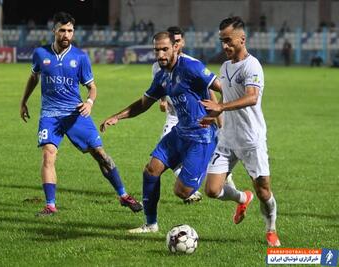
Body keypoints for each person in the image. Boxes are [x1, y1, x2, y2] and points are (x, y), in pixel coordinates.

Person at [20, 12, 142, 216]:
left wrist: (90, 102)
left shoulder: (80, 57)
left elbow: (92, 87)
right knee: (48, 155)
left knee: (101, 155)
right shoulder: (40, 54)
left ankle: (123, 195)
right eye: (62, 30)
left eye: (70, 31)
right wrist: (23, 101)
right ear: (54, 31)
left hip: (76, 114)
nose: (66, 34)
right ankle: (50, 205)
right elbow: (33, 77)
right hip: (50, 115)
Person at [100, 31, 221, 233]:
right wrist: (117, 116)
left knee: (182, 192)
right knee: (151, 170)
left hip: (202, 136)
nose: (161, 55)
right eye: (157, 50)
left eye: (165, 49)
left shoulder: (192, 67)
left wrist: (220, 110)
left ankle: (224, 186)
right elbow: (143, 104)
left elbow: (220, 87)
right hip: (180, 132)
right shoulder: (162, 76)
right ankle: (151, 224)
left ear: (175, 47)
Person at [199, 16, 281, 247]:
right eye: (222, 41)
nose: (224, 46)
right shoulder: (225, 67)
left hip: (251, 139)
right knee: (212, 190)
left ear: (242, 39)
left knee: (264, 190)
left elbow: (252, 97)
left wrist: (221, 107)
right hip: (227, 139)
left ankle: (271, 228)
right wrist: (212, 116)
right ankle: (243, 198)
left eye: (228, 41)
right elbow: (226, 98)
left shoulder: (252, 65)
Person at [152, 26, 233, 204]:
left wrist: (216, 116)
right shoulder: (158, 66)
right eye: (159, 49)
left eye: (179, 41)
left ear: (180, 43)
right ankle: (197, 180)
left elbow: (209, 92)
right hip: (174, 116)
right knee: (162, 159)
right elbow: (161, 86)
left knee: (187, 156)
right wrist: (163, 99)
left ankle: (214, 173)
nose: (177, 45)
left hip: (197, 119)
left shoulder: (191, 64)